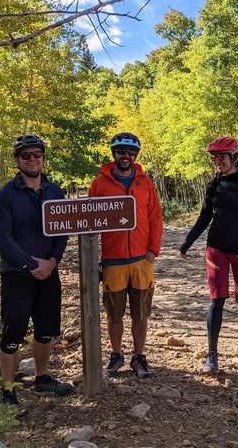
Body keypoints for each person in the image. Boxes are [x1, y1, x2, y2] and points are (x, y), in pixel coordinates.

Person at [179, 136, 238, 374]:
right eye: (214, 158)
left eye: (222, 157)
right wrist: (187, 243)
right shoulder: (213, 186)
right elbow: (204, 217)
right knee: (216, 300)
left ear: (235, 157)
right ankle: (212, 354)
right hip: (216, 249)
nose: (217, 162)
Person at [0, 134, 73, 406]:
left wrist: (52, 262)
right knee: (12, 334)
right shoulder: (5, 194)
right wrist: (31, 263)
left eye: (36, 154)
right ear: (17, 160)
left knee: (45, 330)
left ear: (43, 158)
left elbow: (63, 231)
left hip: (49, 273)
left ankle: (42, 379)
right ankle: (8, 392)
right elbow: (3, 238)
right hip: (17, 274)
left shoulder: (55, 191)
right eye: (26, 155)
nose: (32, 159)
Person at [88, 132, 163, 379]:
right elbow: (88, 222)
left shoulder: (145, 182)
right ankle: (116, 355)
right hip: (113, 260)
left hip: (142, 259)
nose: (126, 156)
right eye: (121, 151)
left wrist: (153, 251)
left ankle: (139, 357)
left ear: (136, 155)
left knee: (141, 312)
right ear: (114, 154)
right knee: (114, 313)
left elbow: (155, 217)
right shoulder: (99, 184)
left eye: (130, 152)